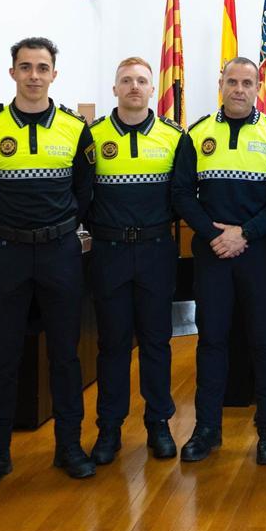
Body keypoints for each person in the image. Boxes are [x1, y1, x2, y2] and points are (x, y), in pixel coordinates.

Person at [0, 36, 97, 492]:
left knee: (65, 355)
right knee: (2, 356)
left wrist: (59, 228)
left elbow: (85, 190)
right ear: (13, 73)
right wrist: (4, 232)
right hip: (8, 255)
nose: (34, 76)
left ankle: (69, 448)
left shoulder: (75, 129)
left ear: (54, 75)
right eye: (26, 67)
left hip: (60, 252)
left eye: (43, 68)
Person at [172, 57, 266, 465]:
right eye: (232, 81)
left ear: (259, 87)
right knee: (212, 343)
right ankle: (207, 430)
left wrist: (245, 233)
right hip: (213, 256)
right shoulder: (197, 134)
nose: (239, 89)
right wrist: (213, 233)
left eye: (247, 82)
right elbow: (182, 193)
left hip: (258, 255)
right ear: (220, 83)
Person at [85, 57, 184, 464]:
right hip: (108, 253)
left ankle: (158, 425)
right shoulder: (90, 137)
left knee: (157, 343)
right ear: (114, 88)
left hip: (156, 250)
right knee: (112, 345)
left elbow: (181, 195)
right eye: (125, 80)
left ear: (150, 88)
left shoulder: (174, 136)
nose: (134, 87)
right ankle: (108, 430)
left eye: (142, 80)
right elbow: (81, 194)